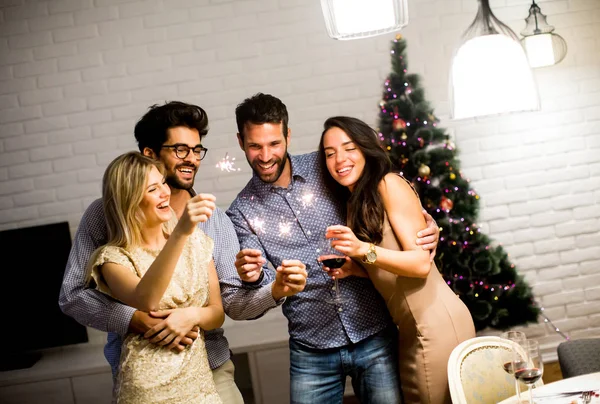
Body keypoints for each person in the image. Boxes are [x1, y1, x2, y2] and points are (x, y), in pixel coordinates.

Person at [226, 93, 440, 404]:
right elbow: (253, 294)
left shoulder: (326, 166)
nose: (265, 155)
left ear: (288, 134)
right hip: (311, 348)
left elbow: (380, 194)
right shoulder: (241, 212)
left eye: (274, 143)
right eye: (255, 145)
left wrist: (426, 223)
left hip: (375, 331)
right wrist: (253, 278)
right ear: (240, 142)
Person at [59, 102, 247, 403]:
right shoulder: (104, 220)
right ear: (150, 154)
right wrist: (138, 320)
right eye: (181, 150)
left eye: (197, 150)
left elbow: (228, 303)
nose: (192, 160)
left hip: (210, 368)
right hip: (147, 375)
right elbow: (72, 295)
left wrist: (266, 285)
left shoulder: (212, 222)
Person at [317, 116, 476, 404]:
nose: (340, 159)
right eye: (330, 153)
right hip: (410, 329)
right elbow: (391, 271)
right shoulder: (356, 201)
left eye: (349, 148)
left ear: (366, 149)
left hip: (436, 323)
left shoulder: (388, 184)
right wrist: (357, 269)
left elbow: (420, 264)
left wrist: (363, 250)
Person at [87, 151, 222, 403]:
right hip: (147, 390)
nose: (165, 192)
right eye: (152, 189)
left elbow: (216, 313)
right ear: (130, 200)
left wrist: (191, 315)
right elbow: (146, 299)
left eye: (163, 182)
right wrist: (180, 232)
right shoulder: (113, 258)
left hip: (200, 387)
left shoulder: (197, 242)